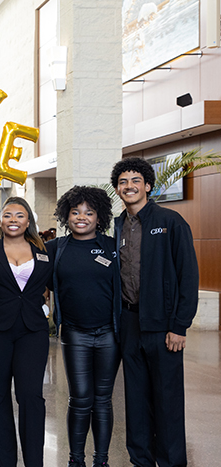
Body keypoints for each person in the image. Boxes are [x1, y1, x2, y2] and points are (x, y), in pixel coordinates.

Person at [111, 157, 198, 467]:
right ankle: (141, 459)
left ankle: (172, 461)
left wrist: (180, 325)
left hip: (164, 326)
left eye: (135, 180)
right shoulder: (119, 224)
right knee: (135, 398)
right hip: (130, 323)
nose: (129, 186)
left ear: (147, 186)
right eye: (123, 182)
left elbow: (188, 275)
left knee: (167, 399)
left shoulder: (171, 221)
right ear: (118, 189)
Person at [0, 196, 53, 467]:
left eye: (19, 215)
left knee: (31, 396)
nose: (13, 220)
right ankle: (4, 462)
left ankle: (34, 462)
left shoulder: (43, 251)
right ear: (1, 220)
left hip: (32, 331)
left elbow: (53, 285)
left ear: (28, 220)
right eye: (8, 215)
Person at [46, 186, 120, 467]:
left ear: (99, 217)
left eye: (89, 212)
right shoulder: (56, 248)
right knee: (79, 399)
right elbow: (18, 256)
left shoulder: (112, 246)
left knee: (103, 400)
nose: (81, 217)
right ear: (66, 215)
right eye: (75, 212)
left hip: (109, 334)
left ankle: (101, 460)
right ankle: (75, 460)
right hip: (74, 333)